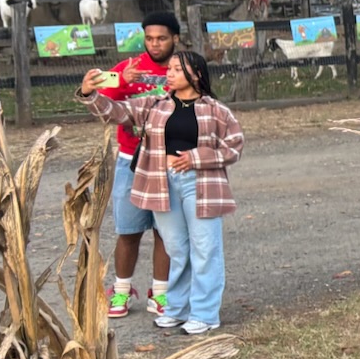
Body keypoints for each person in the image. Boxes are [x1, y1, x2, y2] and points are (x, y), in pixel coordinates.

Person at [79, 48, 244, 336]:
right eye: (168, 69)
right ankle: (178, 309)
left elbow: (233, 146)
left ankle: (205, 314)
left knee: (205, 249)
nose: (169, 73)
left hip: (200, 183)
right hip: (161, 182)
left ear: (197, 74)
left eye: (178, 69)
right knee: (177, 248)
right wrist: (90, 94)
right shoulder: (155, 105)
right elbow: (118, 112)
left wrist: (196, 158)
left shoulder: (217, 110)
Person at [97, 11, 179, 318]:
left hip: (168, 161)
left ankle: (160, 293)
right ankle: (121, 291)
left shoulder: (182, 68)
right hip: (130, 160)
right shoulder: (126, 68)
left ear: (175, 39)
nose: (154, 45)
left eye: (162, 38)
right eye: (149, 38)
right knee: (128, 230)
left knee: (164, 231)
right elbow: (100, 102)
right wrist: (121, 82)